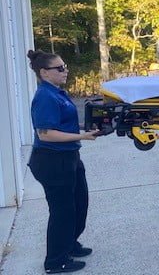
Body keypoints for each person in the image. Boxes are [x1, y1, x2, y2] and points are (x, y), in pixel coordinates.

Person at [26, 50, 100, 273]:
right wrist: (83, 136)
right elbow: (46, 134)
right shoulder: (45, 97)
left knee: (79, 204)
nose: (65, 70)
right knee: (63, 211)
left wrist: (85, 130)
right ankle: (56, 262)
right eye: (60, 68)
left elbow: (62, 126)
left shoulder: (57, 92)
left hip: (69, 157)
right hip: (52, 161)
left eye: (65, 66)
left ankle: (70, 244)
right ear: (44, 73)